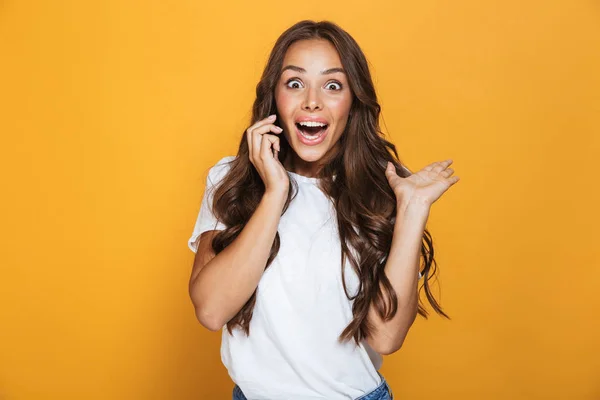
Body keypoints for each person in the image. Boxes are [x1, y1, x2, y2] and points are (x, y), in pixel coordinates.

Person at [187, 20, 460, 400]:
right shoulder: (232, 180)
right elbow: (212, 310)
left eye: (333, 85)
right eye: (294, 83)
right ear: (274, 99)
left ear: (353, 102)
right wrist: (275, 192)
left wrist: (412, 209)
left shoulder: (382, 192)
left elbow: (386, 336)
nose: (312, 101)